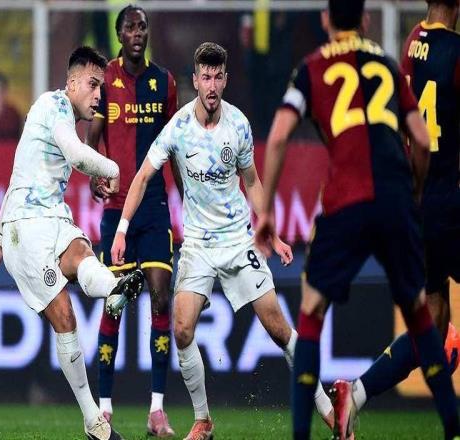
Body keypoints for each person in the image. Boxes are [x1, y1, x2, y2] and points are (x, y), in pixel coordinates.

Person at [255, 0, 460, 439]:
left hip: (347, 201)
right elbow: (421, 139)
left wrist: (266, 210)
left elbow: (279, 136)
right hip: (406, 199)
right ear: (366, 20)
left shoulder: (318, 66)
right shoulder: (385, 63)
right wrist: (414, 191)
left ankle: (305, 431)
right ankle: (453, 426)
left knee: (312, 315)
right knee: (423, 320)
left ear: (325, 19)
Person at [110, 41, 335, 440]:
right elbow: (143, 177)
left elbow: (252, 181)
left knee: (278, 328)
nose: (211, 86)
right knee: (181, 329)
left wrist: (271, 232)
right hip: (197, 245)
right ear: (195, 81)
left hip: (237, 242)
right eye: (205, 77)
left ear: (225, 80)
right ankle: (203, 420)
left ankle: (329, 409)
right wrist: (122, 228)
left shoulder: (238, 125)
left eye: (217, 77)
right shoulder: (178, 127)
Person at [0, 46, 145, 440]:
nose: (98, 95)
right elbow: (76, 154)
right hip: (26, 229)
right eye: (92, 85)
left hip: (51, 217)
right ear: (71, 83)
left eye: (102, 88)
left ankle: (114, 289)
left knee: (82, 253)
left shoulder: (57, 115)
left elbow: (18, 173)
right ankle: (94, 422)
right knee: (65, 315)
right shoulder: (53, 104)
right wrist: (112, 168)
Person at [327, 0, 460, 436]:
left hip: (416, 200)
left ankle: (355, 395)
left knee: (433, 322)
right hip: (448, 198)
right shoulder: (455, 52)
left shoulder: (413, 41)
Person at [86, 5, 178, 437]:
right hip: (115, 208)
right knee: (115, 303)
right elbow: (92, 138)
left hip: (155, 206)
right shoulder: (106, 80)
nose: (137, 33)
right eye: (130, 27)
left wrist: (186, 198)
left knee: (161, 299)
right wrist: (94, 175)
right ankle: (104, 409)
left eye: (142, 26)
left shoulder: (165, 82)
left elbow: (175, 146)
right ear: (119, 34)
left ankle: (156, 411)